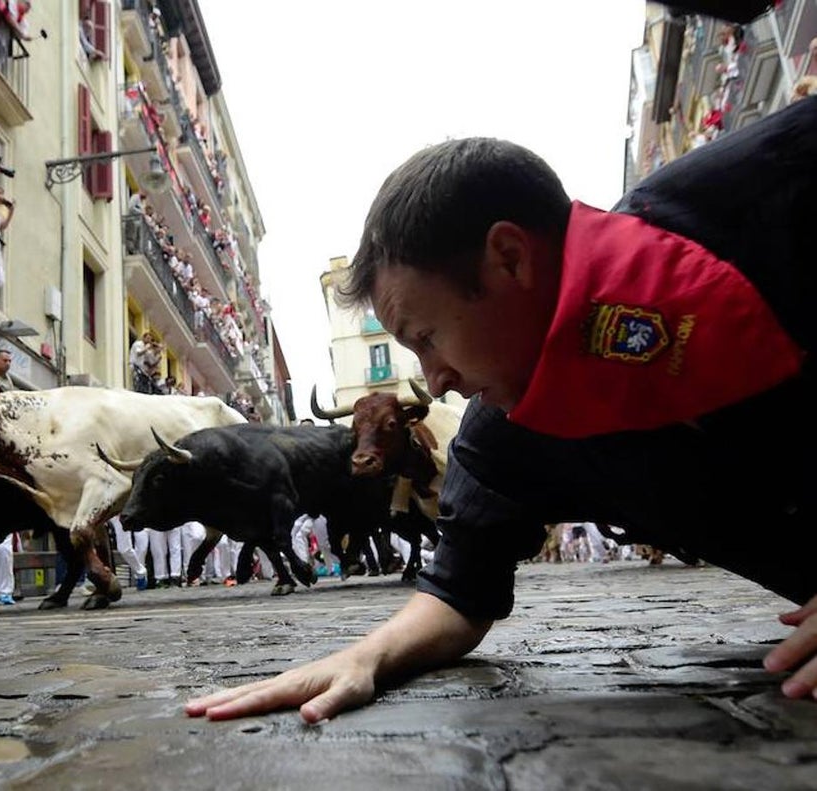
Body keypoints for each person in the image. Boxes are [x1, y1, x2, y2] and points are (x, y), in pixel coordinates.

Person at [185, 97, 817, 723]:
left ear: (509, 258)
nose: (435, 385)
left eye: (427, 339)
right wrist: (366, 658)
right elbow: (460, 592)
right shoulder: (503, 434)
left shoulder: (779, 184)